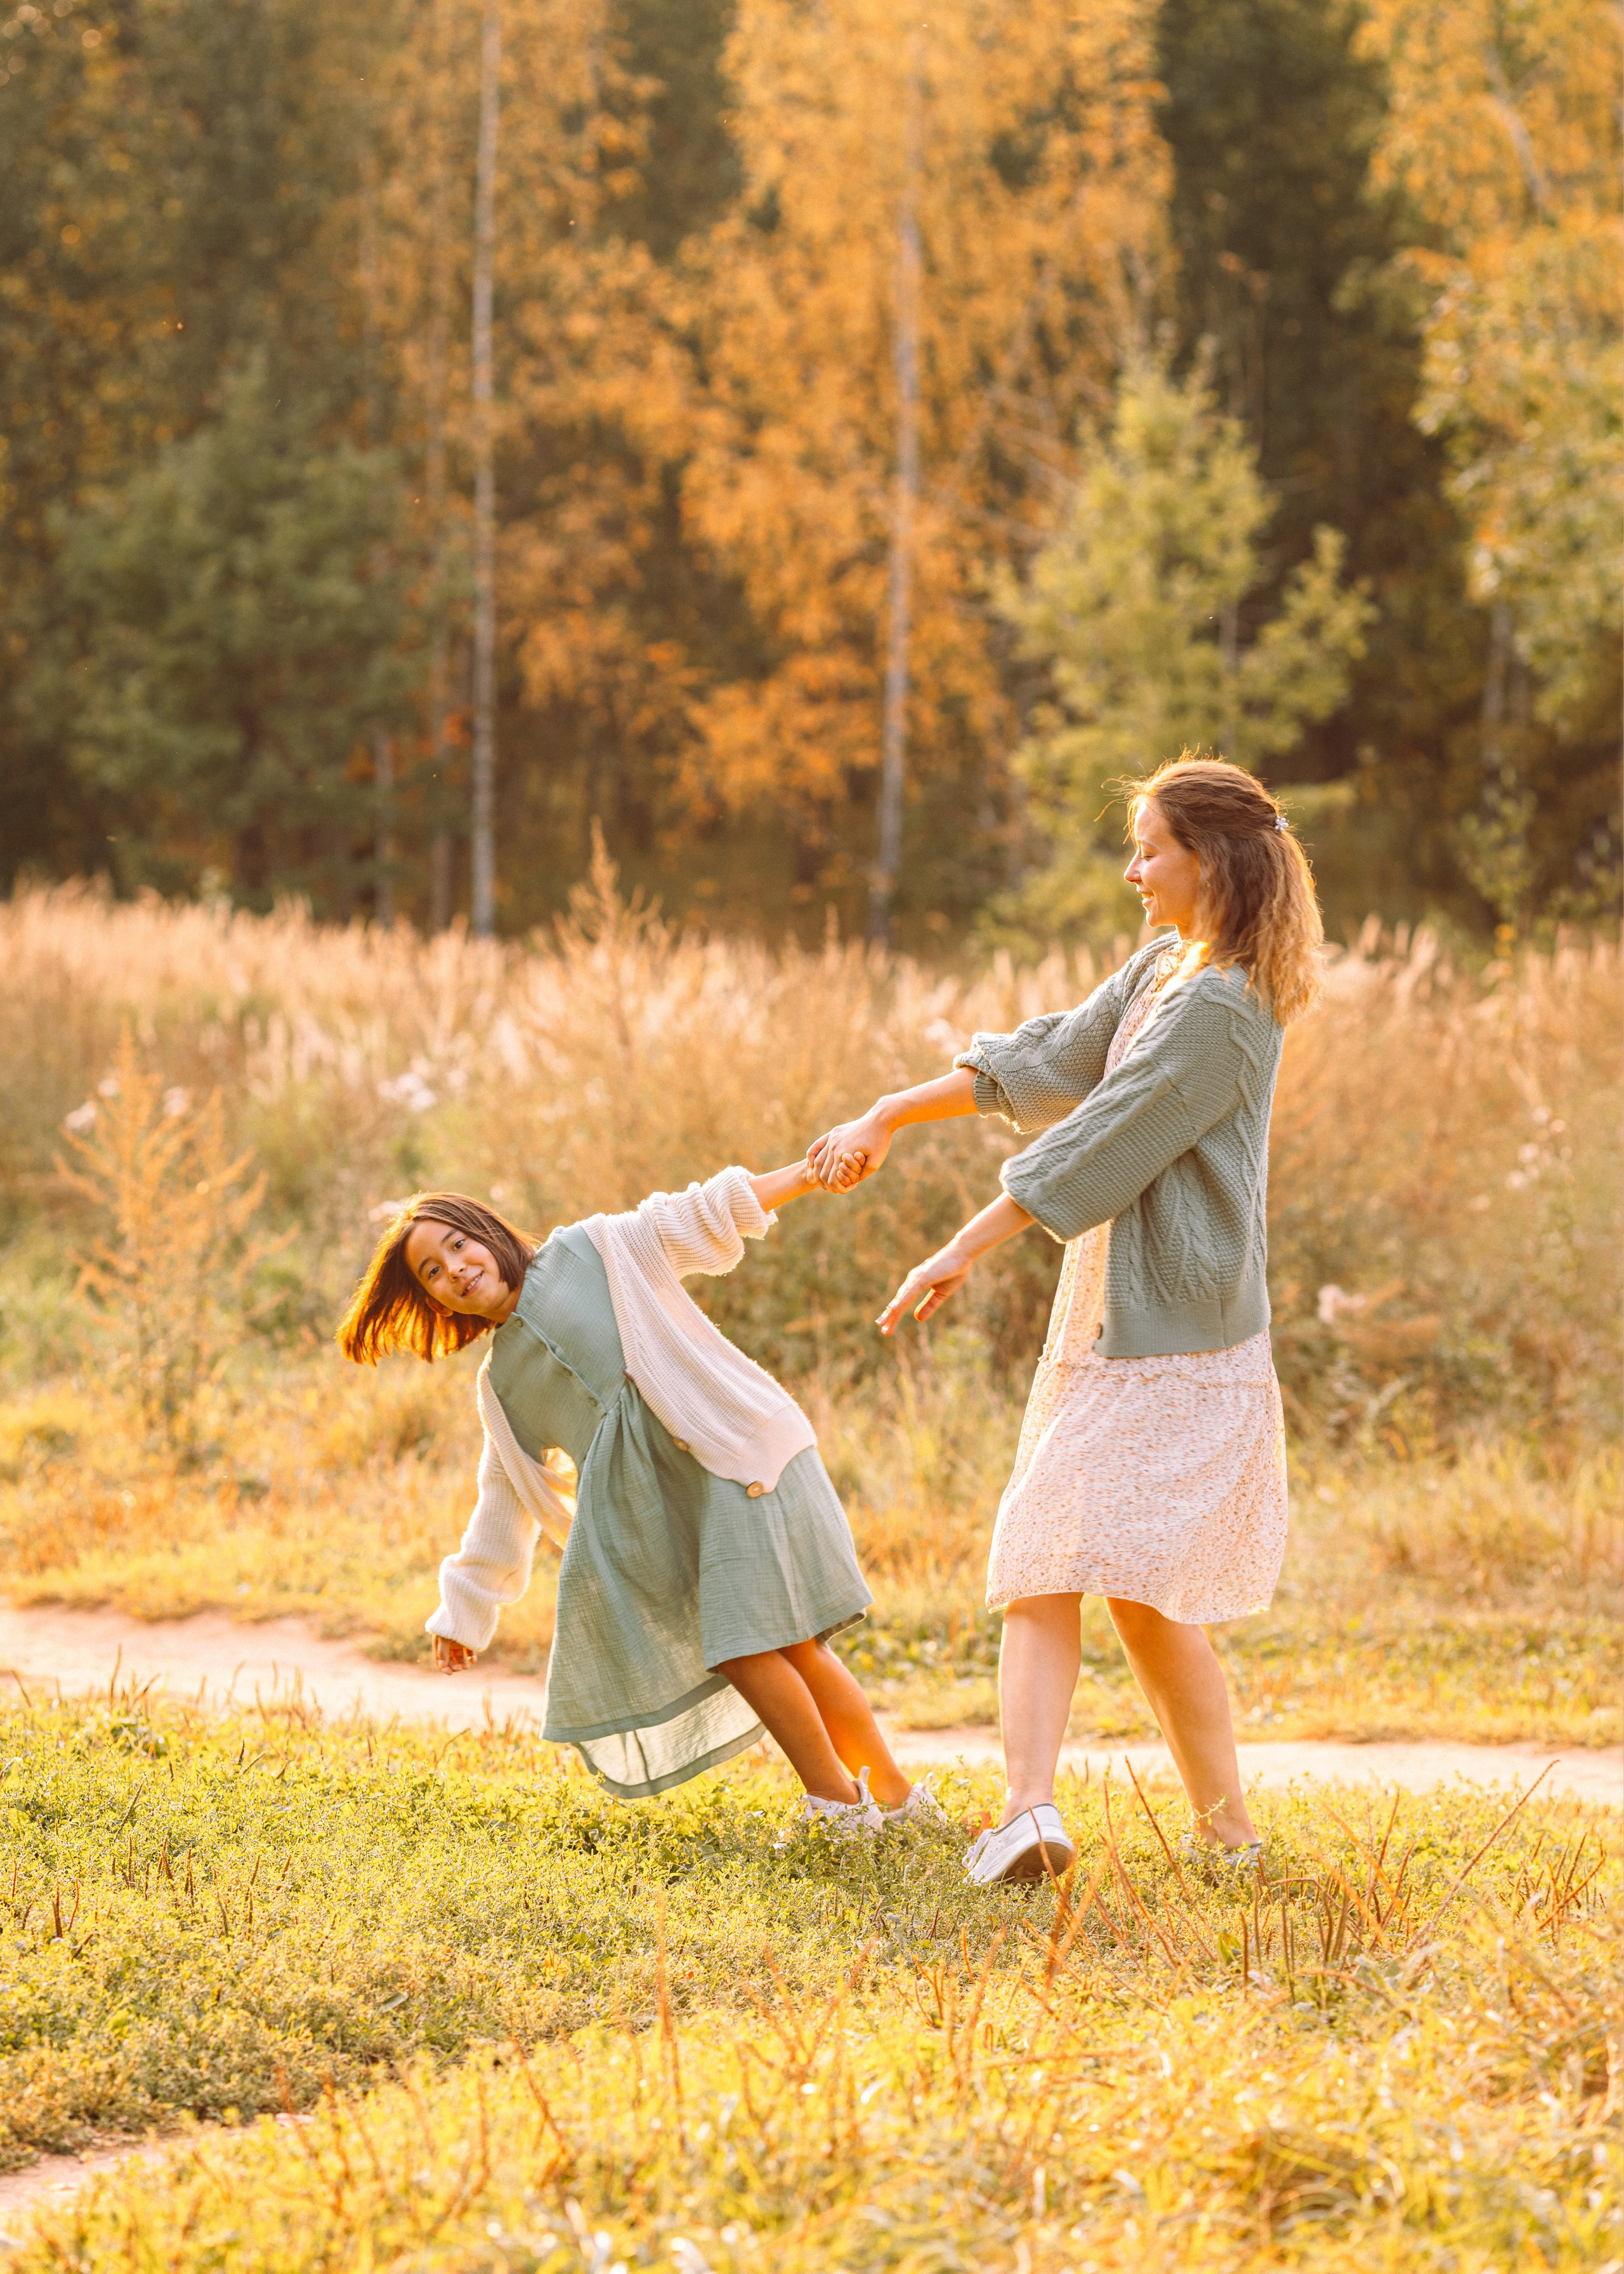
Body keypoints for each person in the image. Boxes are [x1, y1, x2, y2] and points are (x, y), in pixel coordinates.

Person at [808, 755, 1323, 1884]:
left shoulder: (1225, 1007)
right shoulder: (1165, 969)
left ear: (1210, 859)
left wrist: (961, 1245)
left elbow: (1106, 1140)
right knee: (1130, 1590)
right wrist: (891, 1110)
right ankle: (1209, 1838)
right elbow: (1052, 1061)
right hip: (1114, 1312)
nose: (1132, 870)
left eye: (1149, 849)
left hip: (1178, 1334)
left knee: (1055, 1553)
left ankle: (1039, 1814)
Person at [337, 1158, 940, 1843]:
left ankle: (838, 1806)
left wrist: (811, 1171)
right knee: (788, 1645)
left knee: (746, 1647)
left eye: (458, 1244)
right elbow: (502, 1495)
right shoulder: (501, 1384)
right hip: (672, 1518)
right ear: (435, 1301)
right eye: (433, 1273)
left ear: (489, 1232)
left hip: (736, 1453)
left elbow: (706, 1208)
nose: (456, 1269)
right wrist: (464, 1609)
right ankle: (898, 1804)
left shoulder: (593, 1248)